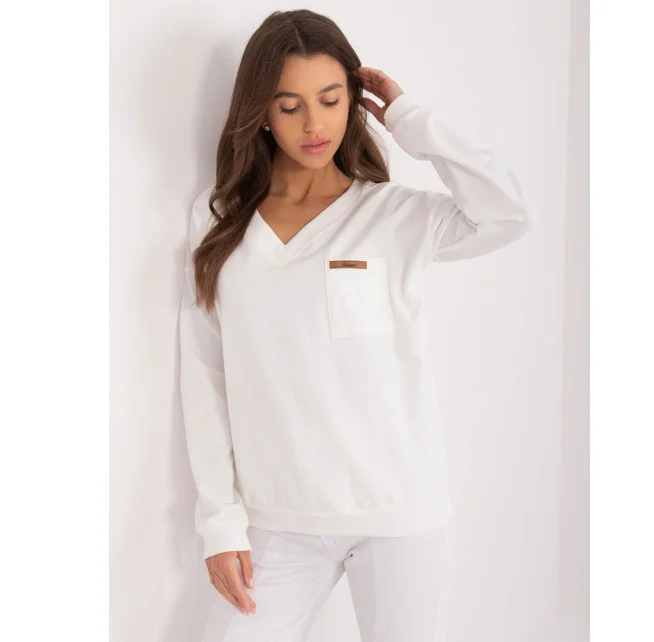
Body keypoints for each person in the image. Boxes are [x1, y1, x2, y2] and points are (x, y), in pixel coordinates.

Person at [179, 9, 537, 642]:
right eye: (289, 105)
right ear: (261, 112)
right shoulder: (218, 223)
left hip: (399, 516)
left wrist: (411, 119)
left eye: (329, 99)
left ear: (353, 99)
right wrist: (220, 524)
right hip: (277, 522)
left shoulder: (394, 216)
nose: (313, 125)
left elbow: (508, 214)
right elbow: (205, 376)